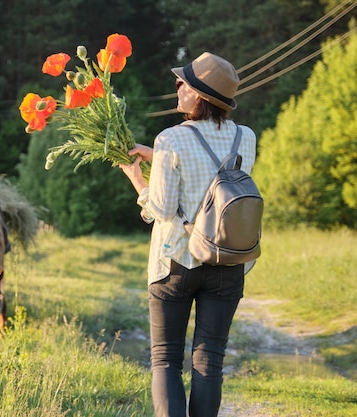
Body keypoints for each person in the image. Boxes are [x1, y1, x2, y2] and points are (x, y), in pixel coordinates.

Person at [119, 52, 257, 417]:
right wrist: (157, 157)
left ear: (200, 96)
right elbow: (220, 179)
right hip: (228, 260)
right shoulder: (246, 136)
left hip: (177, 260)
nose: (177, 86)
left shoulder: (171, 139)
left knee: (165, 359)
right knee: (210, 359)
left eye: (184, 83)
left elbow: (162, 210)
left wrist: (137, 178)